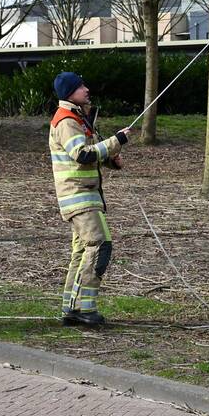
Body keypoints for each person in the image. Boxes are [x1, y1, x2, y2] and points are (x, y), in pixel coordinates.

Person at [49, 72, 133, 326]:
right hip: (78, 196)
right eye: (81, 86)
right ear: (70, 92)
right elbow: (82, 155)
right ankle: (84, 309)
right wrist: (116, 140)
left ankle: (71, 309)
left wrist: (111, 159)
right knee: (99, 244)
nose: (86, 89)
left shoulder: (79, 118)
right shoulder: (66, 120)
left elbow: (93, 153)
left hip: (84, 195)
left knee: (82, 251)